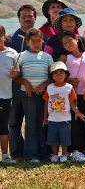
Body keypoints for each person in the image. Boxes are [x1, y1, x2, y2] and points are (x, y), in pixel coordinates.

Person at [5, 5, 47, 161]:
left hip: (36, 87)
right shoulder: (10, 39)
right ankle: (17, 154)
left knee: (35, 121)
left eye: (30, 16)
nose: (27, 19)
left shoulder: (42, 38)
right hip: (15, 86)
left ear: (35, 18)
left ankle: (38, 151)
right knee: (14, 121)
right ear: (19, 19)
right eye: (24, 16)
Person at [13, 28, 54, 162]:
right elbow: (16, 77)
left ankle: (44, 154)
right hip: (28, 95)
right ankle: (31, 155)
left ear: (42, 41)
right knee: (31, 124)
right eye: (33, 41)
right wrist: (25, 82)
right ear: (28, 42)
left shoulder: (47, 57)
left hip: (44, 95)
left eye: (39, 41)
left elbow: (52, 76)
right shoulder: (22, 56)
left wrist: (44, 85)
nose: (37, 43)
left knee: (43, 122)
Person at [57, 31, 85, 161]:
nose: (68, 44)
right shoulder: (64, 58)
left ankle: (84, 149)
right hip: (69, 96)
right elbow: (56, 75)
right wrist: (69, 81)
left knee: (84, 121)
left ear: (77, 39)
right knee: (71, 123)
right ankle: (72, 150)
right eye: (65, 43)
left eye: (70, 41)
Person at [42, 61, 85, 162]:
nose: (59, 75)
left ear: (66, 75)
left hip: (65, 119)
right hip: (52, 119)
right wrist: (45, 117)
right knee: (53, 138)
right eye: (56, 73)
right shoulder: (49, 87)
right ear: (52, 76)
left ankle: (63, 154)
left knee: (65, 138)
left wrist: (78, 113)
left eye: (61, 73)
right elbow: (46, 103)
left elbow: (72, 103)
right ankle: (54, 155)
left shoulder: (69, 87)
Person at [0, 25, 18, 163]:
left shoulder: (12, 53)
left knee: (3, 127)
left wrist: (15, 74)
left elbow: (18, 73)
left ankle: (5, 157)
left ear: (4, 36)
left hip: (5, 96)